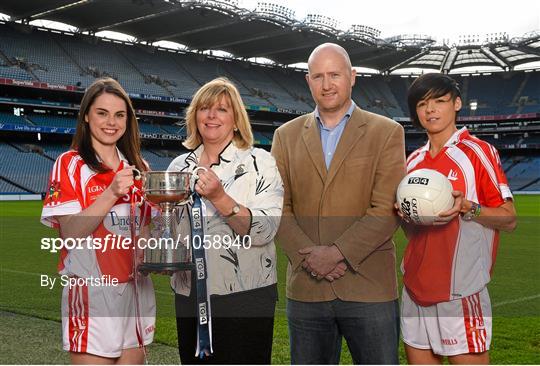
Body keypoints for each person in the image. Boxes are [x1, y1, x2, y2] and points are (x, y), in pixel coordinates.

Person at [270, 43, 406, 364]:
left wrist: (337, 254)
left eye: (335, 75)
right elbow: (276, 206)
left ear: (353, 77)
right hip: (307, 288)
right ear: (308, 81)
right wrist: (311, 259)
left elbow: (386, 208)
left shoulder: (387, 132)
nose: (327, 84)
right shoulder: (285, 136)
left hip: (369, 288)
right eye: (318, 76)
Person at [399, 72, 517, 364]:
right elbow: (413, 234)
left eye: (440, 101)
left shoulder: (478, 152)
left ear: (457, 104)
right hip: (414, 290)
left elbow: (509, 218)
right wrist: (405, 216)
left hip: (460, 293)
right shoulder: (413, 162)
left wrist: (468, 207)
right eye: (423, 103)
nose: (431, 109)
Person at [168, 77, 283, 364]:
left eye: (221, 109)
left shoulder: (260, 162)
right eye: (204, 108)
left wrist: (220, 197)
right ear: (194, 116)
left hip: (245, 296)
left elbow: (265, 230)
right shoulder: (178, 167)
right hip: (189, 293)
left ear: (235, 120)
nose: (211, 115)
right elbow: (169, 231)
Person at [41, 78, 155, 364]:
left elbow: (145, 232)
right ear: (87, 115)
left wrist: (156, 255)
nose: (111, 122)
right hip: (92, 292)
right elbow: (69, 233)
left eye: (119, 115)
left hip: (136, 291)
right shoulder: (70, 164)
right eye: (102, 113)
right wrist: (111, 192)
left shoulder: (140, 169)